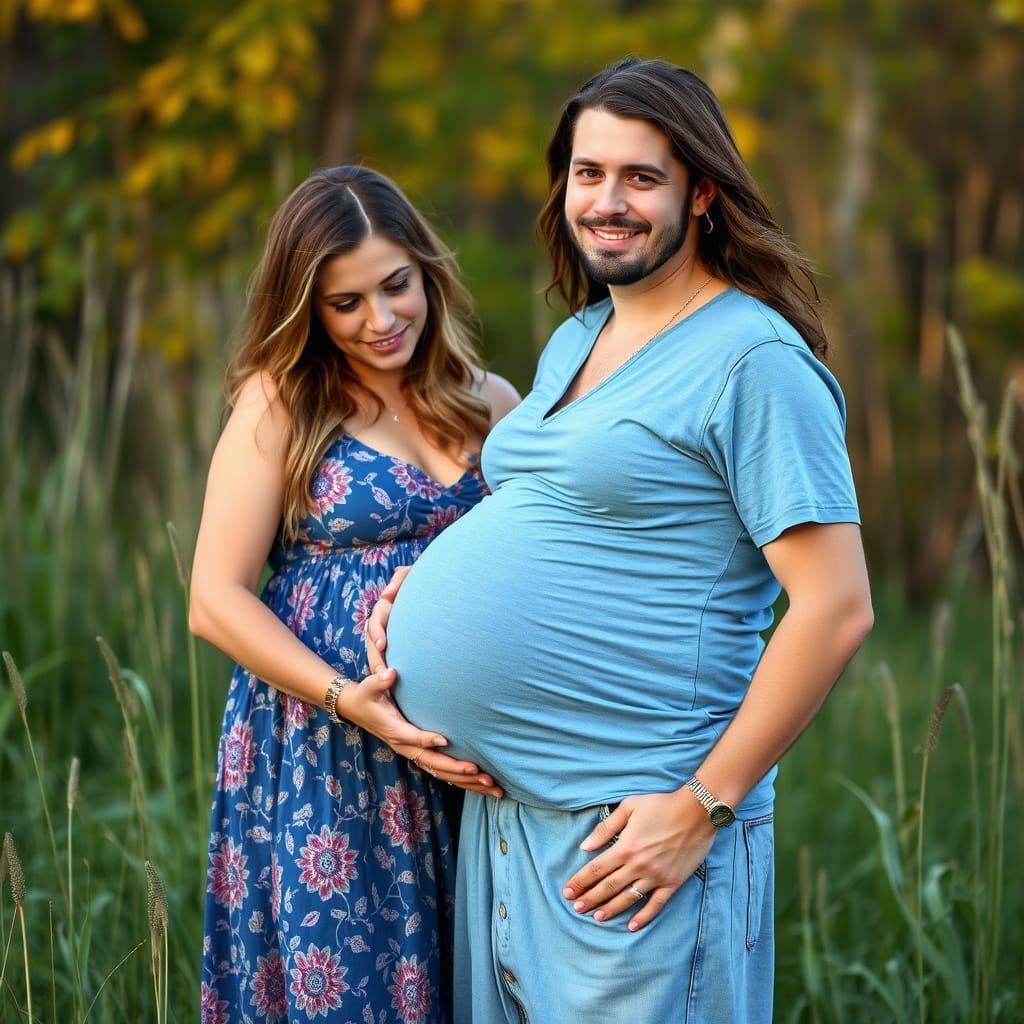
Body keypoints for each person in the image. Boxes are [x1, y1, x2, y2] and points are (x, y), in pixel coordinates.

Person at [366, 58, 873, 1022]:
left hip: (634, 843)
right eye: (587, 173)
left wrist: (700, 811)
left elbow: (837, 606)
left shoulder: (756, 362)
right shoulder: (578, 338)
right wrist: (415, 595)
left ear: (703, 192)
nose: (607, 201)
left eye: (641, 178)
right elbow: (570, 518)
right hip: (507, 828)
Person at [188, 165, 517, 1023]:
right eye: (346, 303)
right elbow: (215, 597)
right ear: (309, 310)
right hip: (327, 753)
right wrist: (351, 701)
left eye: (396, 285)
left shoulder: (493, 404)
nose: (382, 319)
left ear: (426, 271)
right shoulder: (284, 404)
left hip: (465, 764)